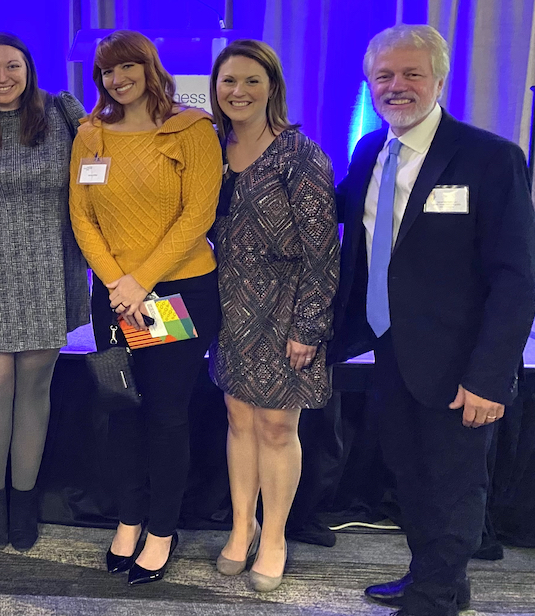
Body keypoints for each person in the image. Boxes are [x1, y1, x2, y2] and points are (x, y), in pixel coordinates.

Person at [332, 24, 535, 616]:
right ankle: (438, 578)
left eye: (411, 74)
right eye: (384, 77)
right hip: (391, 347)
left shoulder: (491, 158)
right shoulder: (371, 150)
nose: (397, 87)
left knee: (453, 486)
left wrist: (490, 378)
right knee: (412, 476)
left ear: (439, 81)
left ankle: (435, 598)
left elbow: (515, 279)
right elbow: (340, 212)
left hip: (462, 360)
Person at [68, 30, 221, 585]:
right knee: (121, 408)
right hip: (115, 298)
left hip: (177, 293)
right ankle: (128, 518)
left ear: (150, 67)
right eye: (108, 71)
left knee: (164, 412)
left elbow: (197, 215)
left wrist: (141, 283)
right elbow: (82, 215)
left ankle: (162, 527)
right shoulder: (91, 133)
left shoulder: (191, 129)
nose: (118, 79)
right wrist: (118, 283)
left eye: (128, 66)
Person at [206, 40, 339, 592]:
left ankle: (276, 537)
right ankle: (242, 527)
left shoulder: (299, 154)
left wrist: (308, 326)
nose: (238, 92)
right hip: (229, 305)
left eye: (251, 81)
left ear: (272, 88)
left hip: (286, 311)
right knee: (239, 423)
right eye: (228, 81)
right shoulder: (211, 147)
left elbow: (322, 250)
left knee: (278, 427)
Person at [0, 32, 89, 552]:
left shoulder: (62, 114)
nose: (1, 78)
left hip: (47, 267)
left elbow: (110, 157)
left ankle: (24, 498)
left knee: (34, 390)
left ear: (28, 68)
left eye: (11, 66)